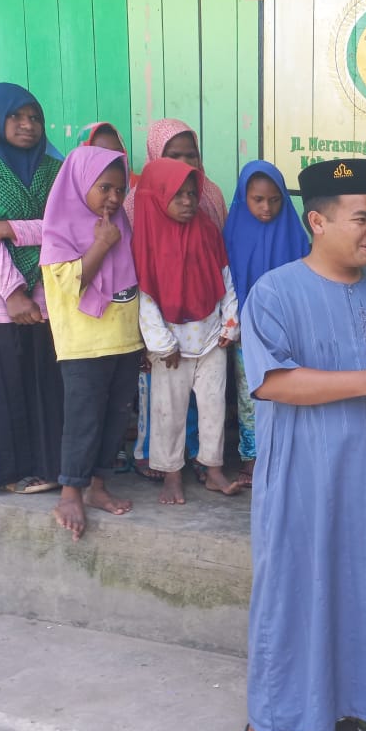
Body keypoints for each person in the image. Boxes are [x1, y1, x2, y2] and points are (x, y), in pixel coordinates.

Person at [235, 158, 366, 731]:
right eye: (361, 219)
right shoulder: (274, 292)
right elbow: (273, 382)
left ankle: (362, 701)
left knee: (365, 581)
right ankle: (266, 720)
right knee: (293, 587)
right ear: (317, 222)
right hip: (303, 476)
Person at [39, 146, 143, 540]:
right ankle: (70, 493)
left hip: (124, 341)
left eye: (120, 190)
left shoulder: (120, 225)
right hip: (84, 345)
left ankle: (98, 486)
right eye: (105, 188)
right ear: (81, 184)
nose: (114, 198)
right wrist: (101, 244)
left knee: (116, 418)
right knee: (83, 419)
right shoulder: (61, 228)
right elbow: (70, 284)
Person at [134, 159, 240, 505]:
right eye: (177, 194)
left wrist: (230, 323)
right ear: (158, 195)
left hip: (211, 338)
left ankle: (213, 469)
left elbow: (225, 277)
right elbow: (145, 296)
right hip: (171, 347)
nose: (187, 201)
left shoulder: (206, 229)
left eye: (192, 194)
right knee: (168, 411)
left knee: (213, 408)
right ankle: (172, 475)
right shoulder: (148, 237)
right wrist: (162, 345)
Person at [0, 83, 64, 494]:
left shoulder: (53, 171)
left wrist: (7, 227)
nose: (27, 125)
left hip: (48, 291)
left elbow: (66, 229)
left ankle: (49, 467)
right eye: (16, 116)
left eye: (35, 117)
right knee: (1, 385)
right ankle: (8, 474)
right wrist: (13, 292)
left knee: (46, 383)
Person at [127, 118, 226, 483]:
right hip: (162, 332)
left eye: (191, 155)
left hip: (206, 326)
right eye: (173, 155)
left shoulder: (209, 197)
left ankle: (204, 461)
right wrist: (154, 340)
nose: (185, 164)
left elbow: (220, 267)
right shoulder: (137, 203)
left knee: (209, 404)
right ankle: (165, 464)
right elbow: (142, 282)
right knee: (164, 405)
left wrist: (228, 322)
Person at [224, 161, 310, 488]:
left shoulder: (294, 234)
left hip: (288, 331)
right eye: (257, 199)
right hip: (246, 332)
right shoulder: (232, 233)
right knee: (251, 395)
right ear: (243, 197)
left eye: (275, 200)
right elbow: (228, 283)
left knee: (289, 392)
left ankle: (287, 457)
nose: (266, 208)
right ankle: (252, 458)